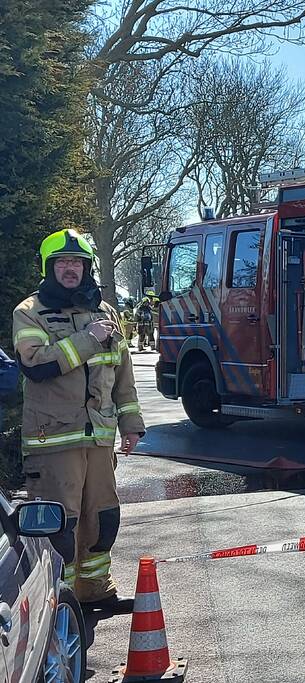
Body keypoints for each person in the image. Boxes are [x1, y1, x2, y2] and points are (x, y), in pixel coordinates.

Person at [12, 228, 144, 612]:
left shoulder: (106, 312)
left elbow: (123, 374)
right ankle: (56, 603)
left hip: (99, 440)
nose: (70, 269)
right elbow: (36, 365)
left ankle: (96, 591)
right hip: (52, 439)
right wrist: (88, 339)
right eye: (62, 262)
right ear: (49, 267)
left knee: (102, 518)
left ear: (87, 267)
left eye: (77, 262)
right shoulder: (30, 311)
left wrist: (131, 423)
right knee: (60, 526)